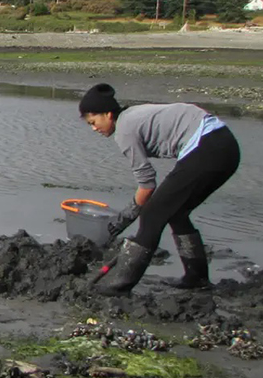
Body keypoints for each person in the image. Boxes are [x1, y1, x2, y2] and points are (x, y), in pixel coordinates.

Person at [78, 83, 240, 295]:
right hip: (225, 147)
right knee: (176, 212)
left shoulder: (125, 130)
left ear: (108, 114)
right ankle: (196, 278)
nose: (94, 128)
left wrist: (125, 217)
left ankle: (120, 285)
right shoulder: (132, 115)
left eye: (93, 122)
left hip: (208, 147)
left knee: (152, 214)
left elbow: (147, 184)